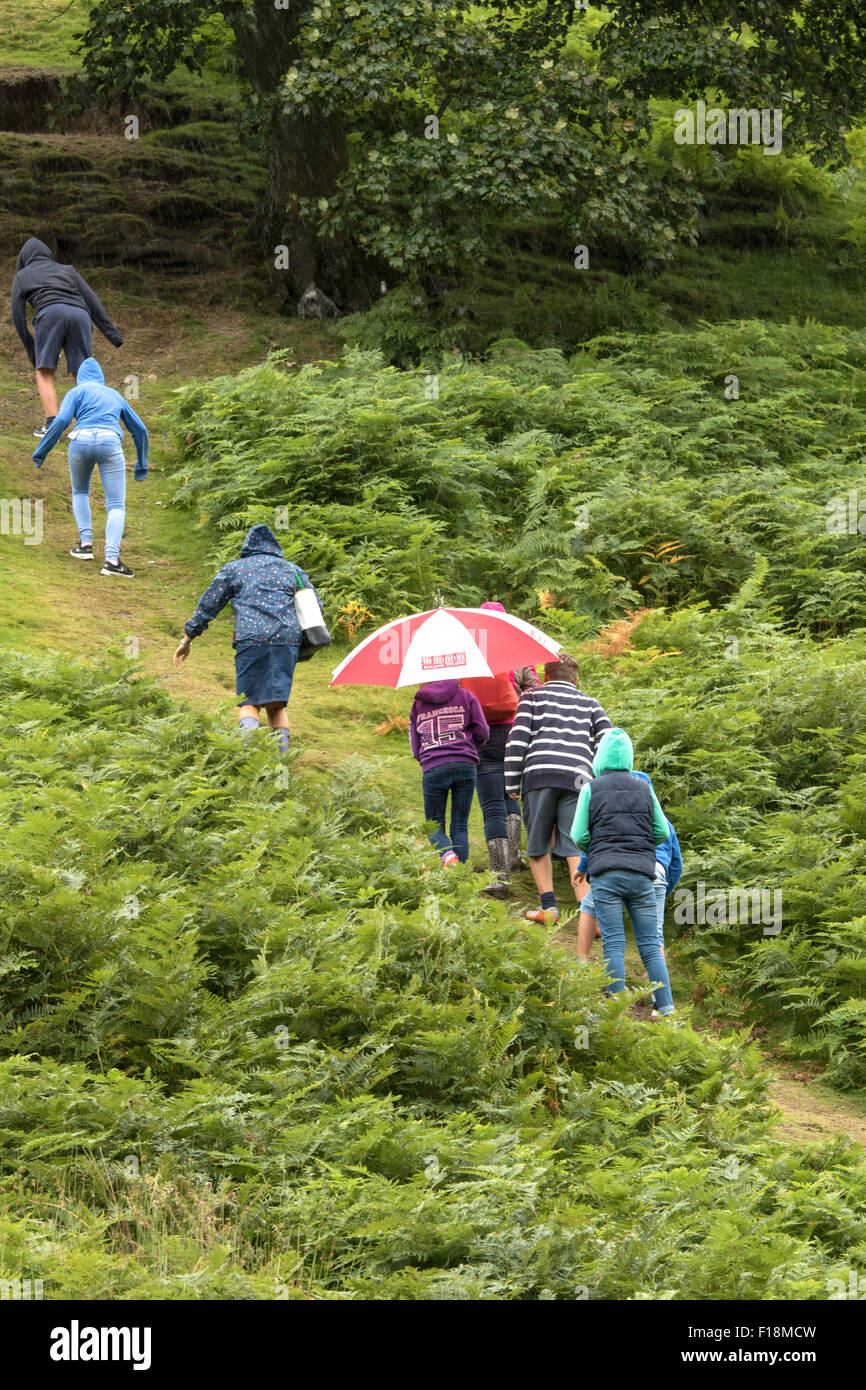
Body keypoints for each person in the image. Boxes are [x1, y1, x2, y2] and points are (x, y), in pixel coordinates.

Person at [174, 524, 320, 751]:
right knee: (277, 706)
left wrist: (188, 639)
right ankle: (280, 763)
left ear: (248, 547)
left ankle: (248, 759)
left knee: (249, 702)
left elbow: (208, 605)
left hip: (252, 640)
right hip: (286, 641)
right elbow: (316, 605)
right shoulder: (292, 570)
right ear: (275, 548)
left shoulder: (235, 569)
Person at [571, 728, 675, 1017]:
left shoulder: (591, 788)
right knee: (651, 946)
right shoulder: (644, 787)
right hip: (642, 874)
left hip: (606, 874)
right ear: (629, 757)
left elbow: (578, 834)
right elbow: (662, 831)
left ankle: (615, 1013)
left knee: (614, 943)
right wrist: (639, 845)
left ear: (599, 757)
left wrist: (600, 847)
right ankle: (667, 1010)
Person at [504, 652, 612, 926]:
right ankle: (589, 917)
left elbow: (517, 740)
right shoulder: (590, 702)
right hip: (578, 779)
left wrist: (512, 782)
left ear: (546, 675)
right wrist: (593, 768)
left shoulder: (531, 697)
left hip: (539, 774)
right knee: (574, 843)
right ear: (576, 679)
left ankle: (549, 910)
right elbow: (608, 737)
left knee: (538, 842)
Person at [31, 357, 148, 577]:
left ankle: (85, 545)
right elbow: (140, 430)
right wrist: (141, 465)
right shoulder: (114, 394)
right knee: (115, 504)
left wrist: (41, 452)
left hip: (80, 440)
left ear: (80, 379)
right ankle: (112, 560)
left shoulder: (75, 393)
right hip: (110, 442)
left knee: (80, 491)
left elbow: (61, 420)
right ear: (101, 378)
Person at [460, 600, 540, 897]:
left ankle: (500, 875)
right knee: (512, 793)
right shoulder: (518, 651)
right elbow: (534, 689)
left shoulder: (466, 652)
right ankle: (515, 854)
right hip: (513, 732)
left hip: (478, 733)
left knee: (492, 803)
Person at [11, 238, 123, 437]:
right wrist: (112, 334)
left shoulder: (23, 275)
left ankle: (53, 424)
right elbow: (92, 300)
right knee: (83, 373)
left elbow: (18, 315)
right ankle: (91, 425)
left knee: (44, 371)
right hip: (80, 315)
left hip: (50, 314)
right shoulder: (67, 270)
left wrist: (31, 348)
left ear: (25, 259)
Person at [408, 679, 489, 866]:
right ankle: (459, 874)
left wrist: (428, 760)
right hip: (465, 764)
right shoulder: (466, 696)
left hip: (433, 767)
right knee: (460, 825)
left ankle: (448, 857)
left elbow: (415, 746)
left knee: (434, 826)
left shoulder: (418, 704)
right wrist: (467, 749)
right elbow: (483, 731)